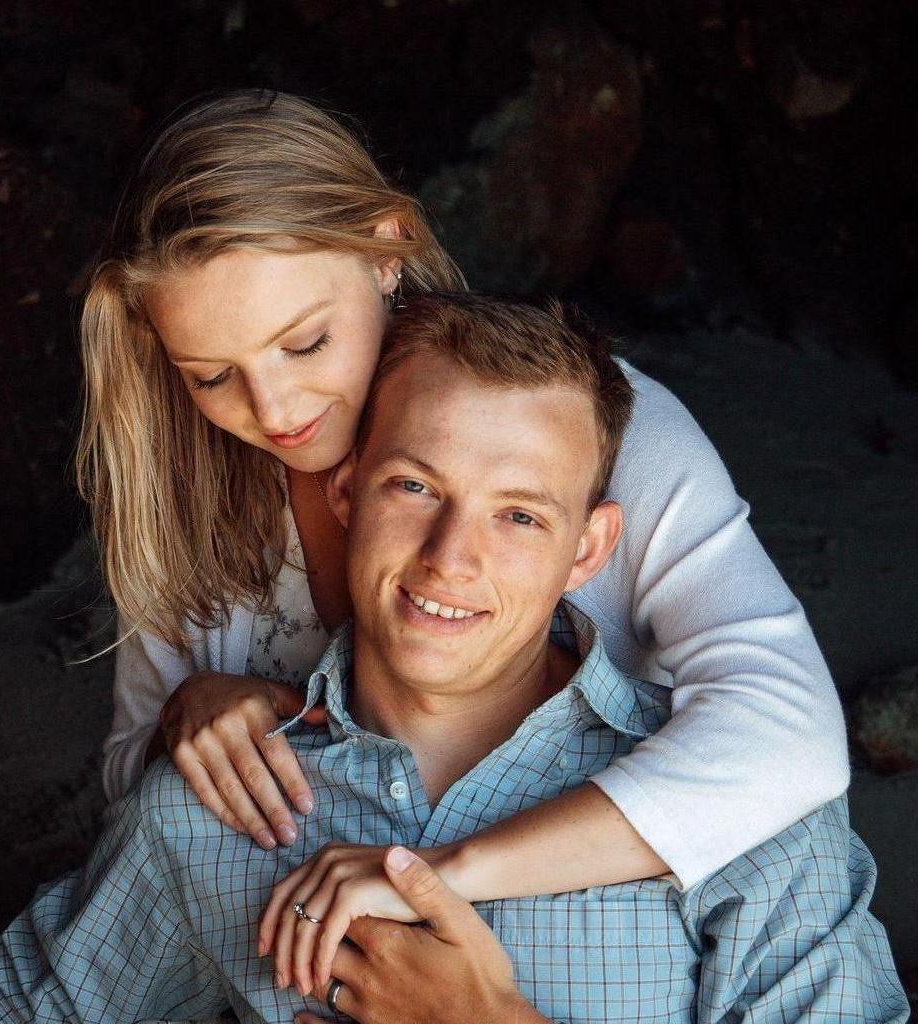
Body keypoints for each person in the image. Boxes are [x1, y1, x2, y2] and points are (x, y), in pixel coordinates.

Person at [0, 294, 906, 1023]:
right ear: (345, 496)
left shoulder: (744, 817)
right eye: (414, 486)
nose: (451, 556)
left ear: (588, 551)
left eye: (519, 515)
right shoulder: (216, 809)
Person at [82, 89, 848, 905]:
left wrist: (443, 881)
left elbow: (791, 737)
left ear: (388, 250)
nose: (274, 412)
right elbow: (128, 793)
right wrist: (186, 714)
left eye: (305, 342)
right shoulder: (181, 487)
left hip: (580, 908)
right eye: (211, 375)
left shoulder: (586, 424)